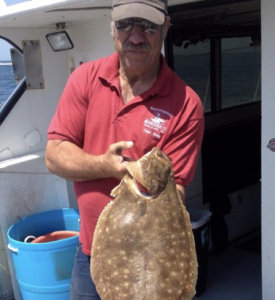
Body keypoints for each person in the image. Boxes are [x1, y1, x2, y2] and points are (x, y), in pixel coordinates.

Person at [45, 0, 204, 299]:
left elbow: (177, 189)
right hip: (90, 251)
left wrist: (146, 186)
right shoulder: (85, 79)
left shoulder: (186, 103)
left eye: (147, 25)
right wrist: (107, 165)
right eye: (125, 24)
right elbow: (54, 155)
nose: (135, 35)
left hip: (151, 260)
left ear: (165, 27)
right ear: (111, 25)